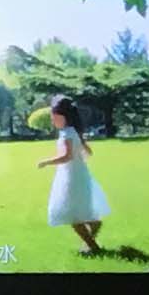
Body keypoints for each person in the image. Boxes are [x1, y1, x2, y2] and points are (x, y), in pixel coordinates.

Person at [41, 95, 110, 255]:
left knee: (72, 216)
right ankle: (92, 234)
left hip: (70, 177)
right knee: (77, 211)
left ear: (62, 116)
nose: (52, 120)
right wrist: (80, 157)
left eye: (53, 117)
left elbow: (67, 156)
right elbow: (88, 152)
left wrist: (46, 162)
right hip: (78, 173)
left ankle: (94, 248)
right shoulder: (74, 132)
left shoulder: (67, 134)